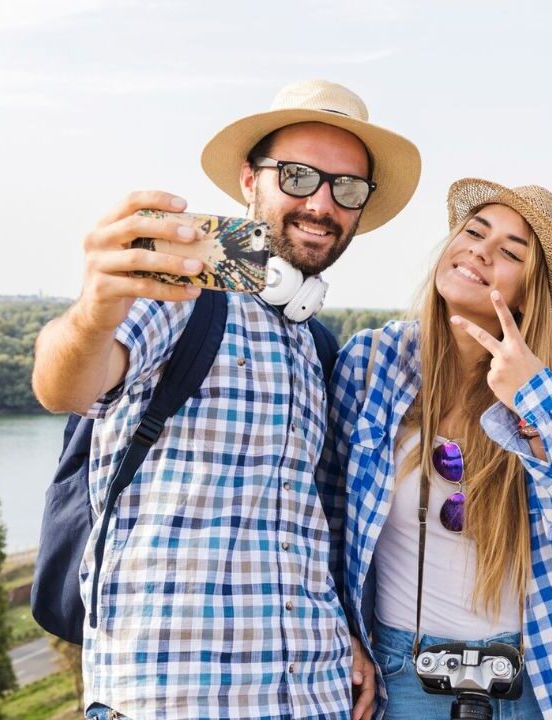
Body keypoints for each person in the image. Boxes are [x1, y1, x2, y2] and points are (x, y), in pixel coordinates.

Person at [31, 79, 421, 720]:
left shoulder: (318, 345)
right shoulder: (181, 299)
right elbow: (65, 385)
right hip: (176, 699)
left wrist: (344, 635)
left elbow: (304, 529)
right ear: (249, 180)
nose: (321, 202)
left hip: (317, 696)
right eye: (297, 176)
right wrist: (95, 312)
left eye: (346, 188)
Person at [326, 179, 552, 720]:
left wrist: (535, 403)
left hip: (535, 680)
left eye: (510, 252)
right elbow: (326, 520)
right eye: (473, 231)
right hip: (403, 677)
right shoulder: (370, 362)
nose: (481, 251)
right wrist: (341, 634)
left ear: (526, 293)